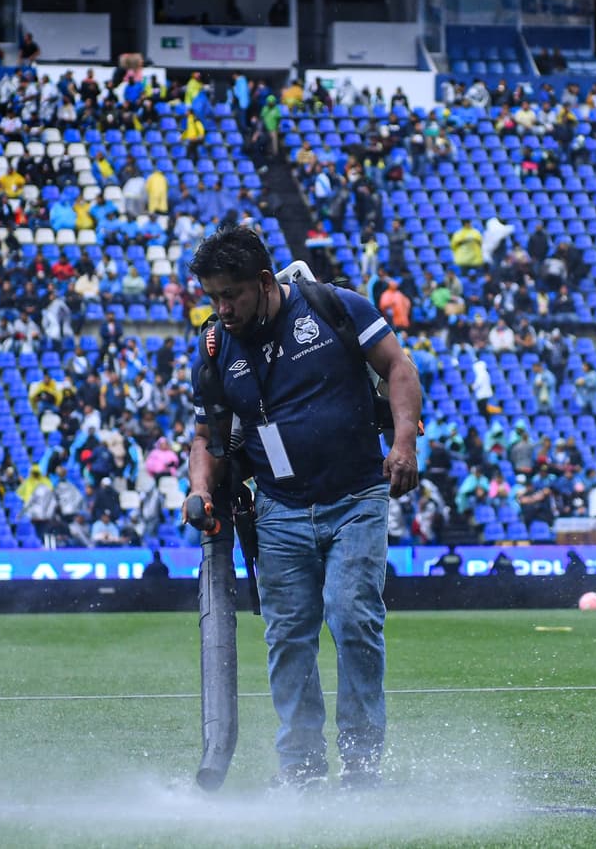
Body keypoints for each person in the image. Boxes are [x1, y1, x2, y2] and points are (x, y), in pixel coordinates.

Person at [186, 226, 422, 790]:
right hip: (279, 510)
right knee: (288, 638)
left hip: (356, 498)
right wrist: (198, 490)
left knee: (352, 617)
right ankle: (303, 769)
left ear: (264, 282)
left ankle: (362, 763)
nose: (222, 309)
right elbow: (206, 436)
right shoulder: (217, 346)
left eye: (231, 295)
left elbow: (399, 369)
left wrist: (405, 443)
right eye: (213, 297)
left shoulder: (334, 307)